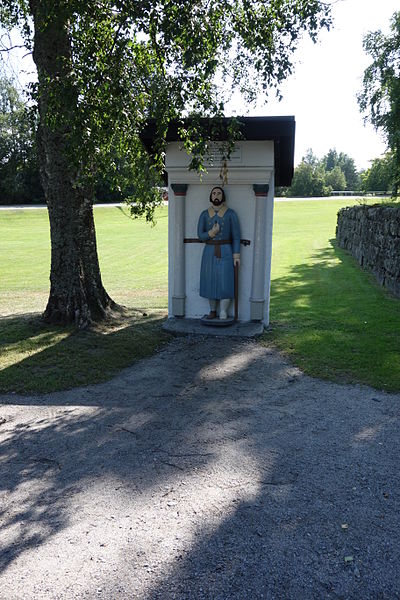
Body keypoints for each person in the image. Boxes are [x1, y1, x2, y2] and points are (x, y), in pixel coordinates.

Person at [197, 186, 241, 319]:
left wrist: (236, 255)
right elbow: (200, 235)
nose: (216, 196)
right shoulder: (204, 215)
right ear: (211, 196)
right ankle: (212, 310)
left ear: (223, 197)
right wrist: (211, 233)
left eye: (219, 193)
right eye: (214, 193)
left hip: (226, 250)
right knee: (210, 279)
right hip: (209, 251)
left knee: (226, 279)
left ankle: (223, 311)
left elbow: (236, 236)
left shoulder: (231, 214)